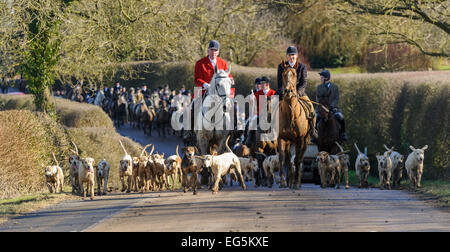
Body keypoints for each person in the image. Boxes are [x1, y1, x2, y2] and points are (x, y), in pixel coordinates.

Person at [277, 46, 317, 139]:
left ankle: (313, 129)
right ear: (287, 56)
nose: (292, 57)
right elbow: (279, 82)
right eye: (290, 55)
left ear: (297, 55)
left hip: (298, 93)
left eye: (293, 55)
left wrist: (298, 93)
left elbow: (304, 82)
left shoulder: (302, 67)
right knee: (271, 105)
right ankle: (270, 128)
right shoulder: (281, 66)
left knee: (311, 108)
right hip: (284, 93)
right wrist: (282, 92)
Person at [316, 69, 347, 141]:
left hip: (333, 108)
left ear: (326, 78)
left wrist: (331, 106)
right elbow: (317, 98)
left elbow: (336, 98)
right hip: (322, 109)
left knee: (341, 117)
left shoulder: (335, 87)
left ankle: (343, 133)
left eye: (322, 77)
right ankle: (315, 135)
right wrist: (322, 107)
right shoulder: (319, 87)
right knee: (316, 118)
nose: (320, 78)